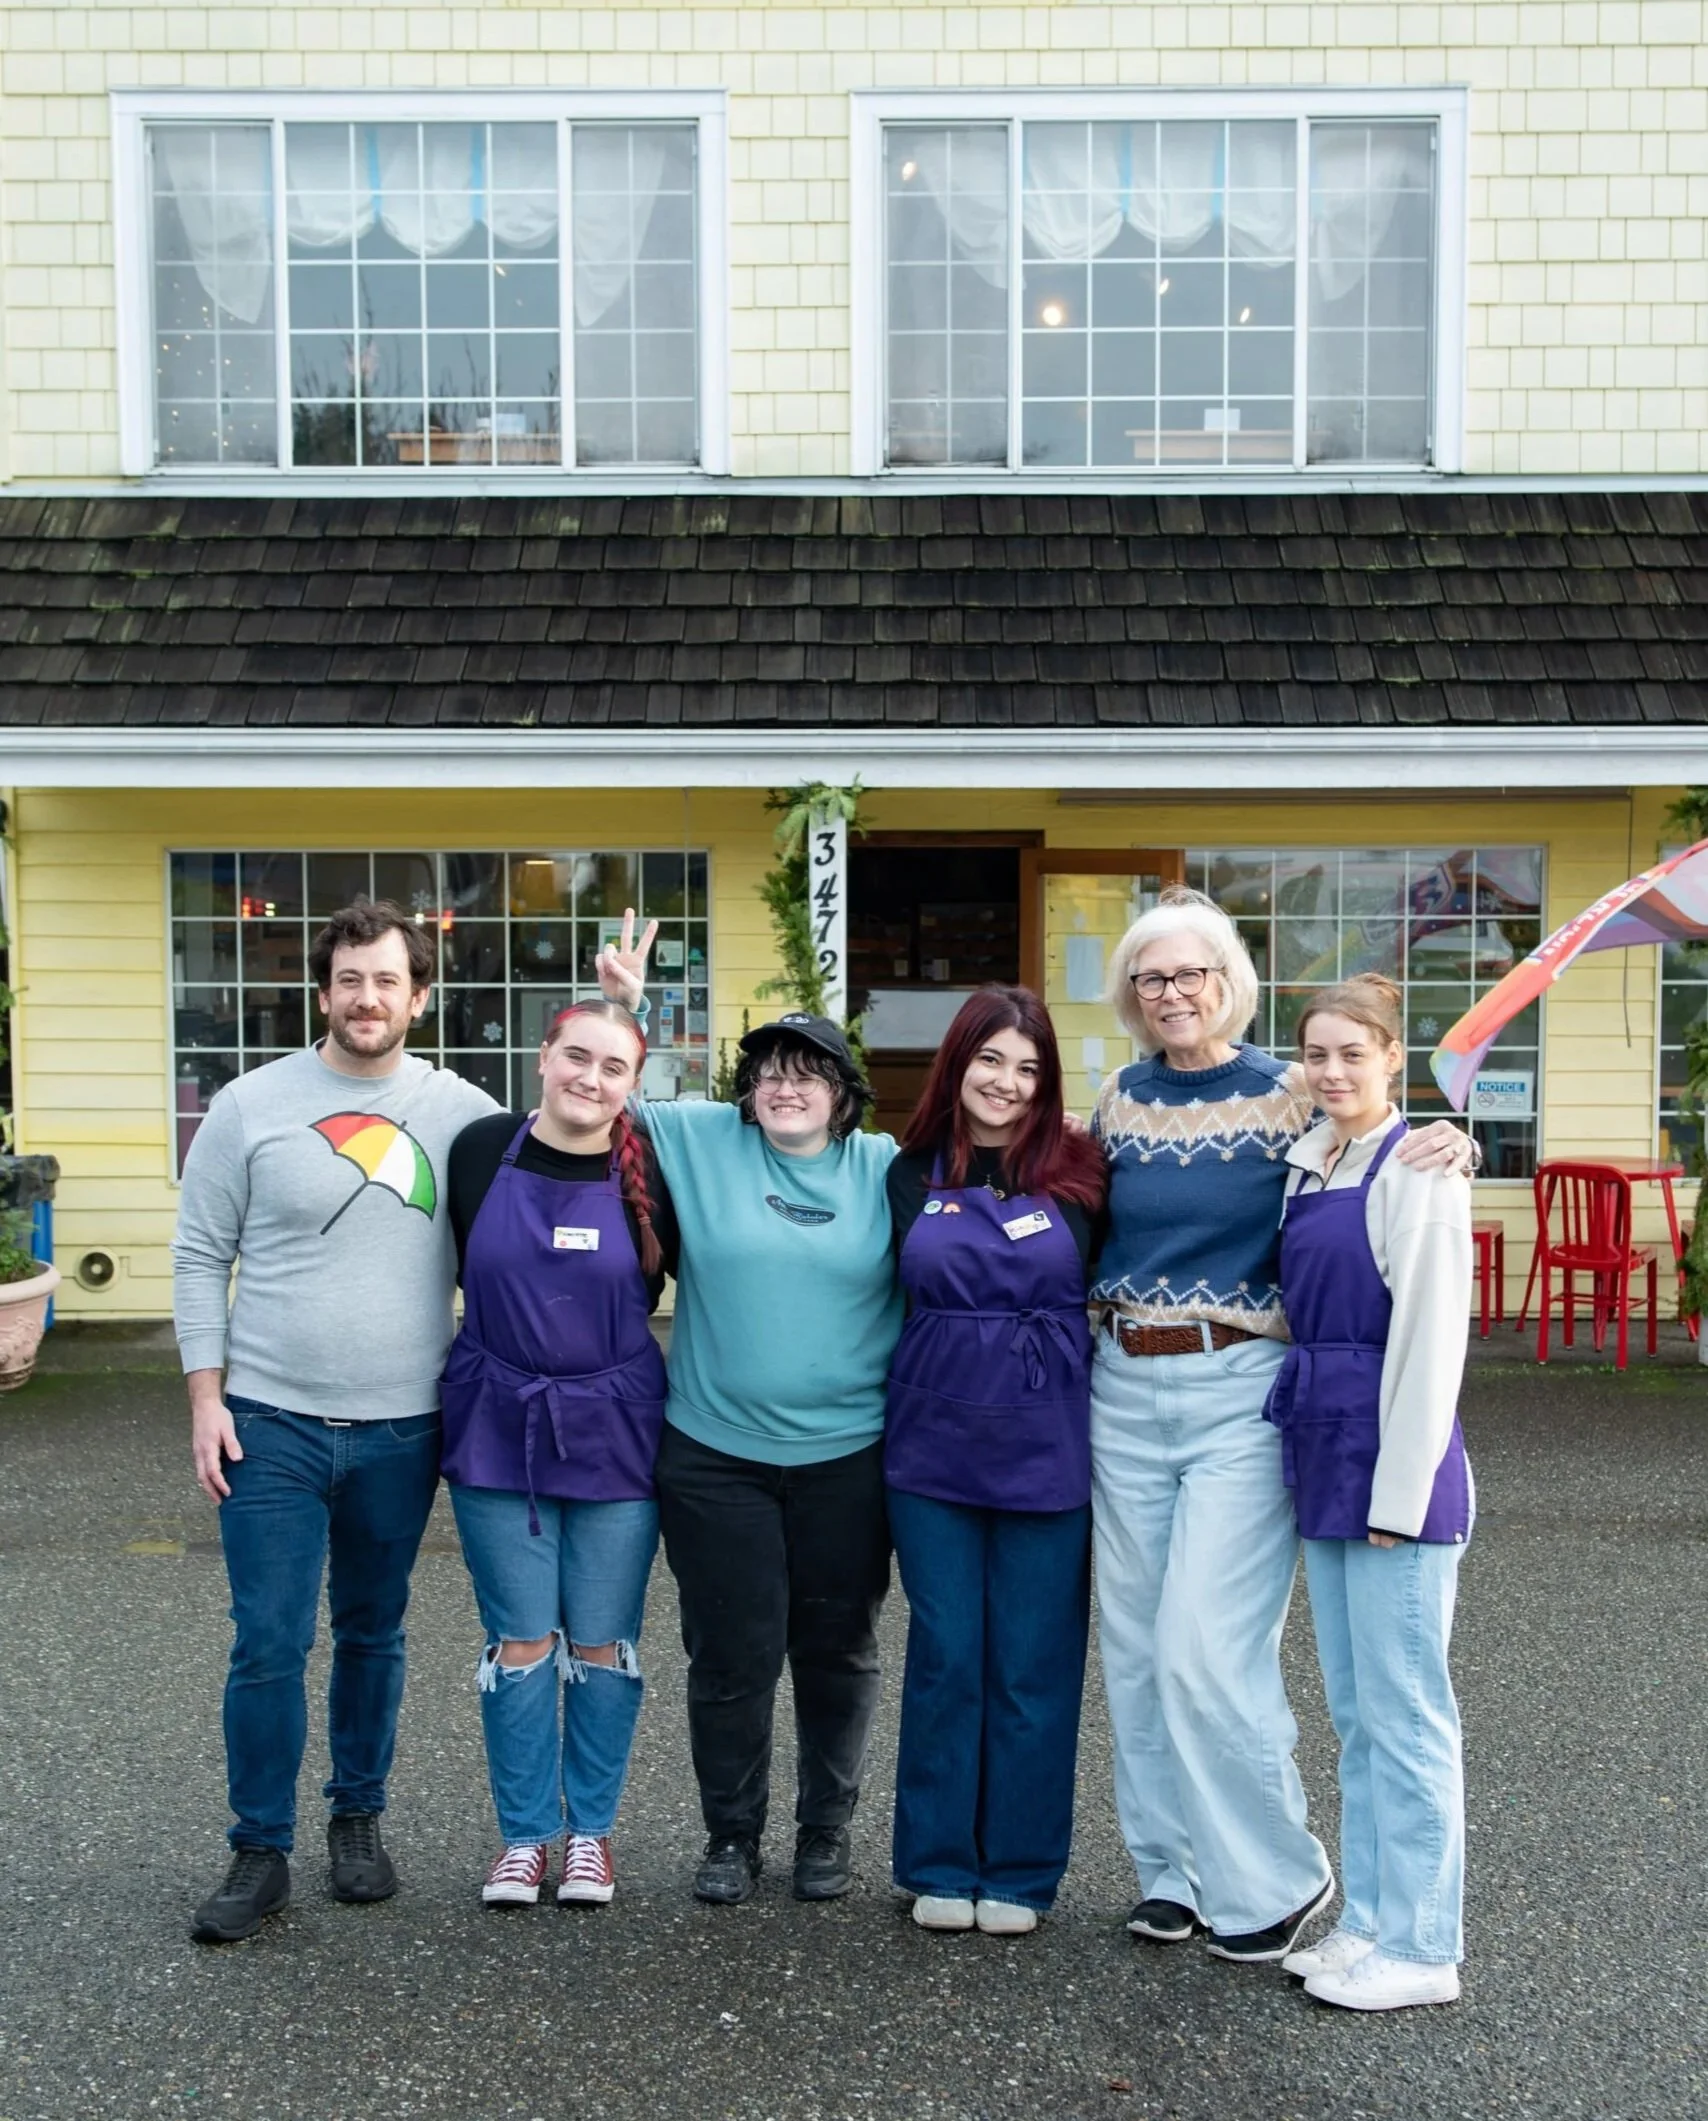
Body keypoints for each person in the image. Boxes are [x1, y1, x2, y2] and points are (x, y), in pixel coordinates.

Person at [1089, 886, 1474, 1965]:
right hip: (1119, 1386)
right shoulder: (1113, 1099)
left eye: (1191, 974)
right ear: (1132, 993)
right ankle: (1170, 1870)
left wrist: (1455, 1139)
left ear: (1228, 982)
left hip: (1238, 1388)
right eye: (1151, 977)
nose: (1171, 994)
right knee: (1132, 1649)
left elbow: (1376, 1144)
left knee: (1205, 1648)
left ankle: (1273, 1876)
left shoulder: (1292, 1092)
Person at [173, 899, 498, 1944]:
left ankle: (356, 1819)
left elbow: (574, 1159)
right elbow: (196, 1258)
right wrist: (205, 1399)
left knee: (373, 1633)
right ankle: (257, 1848)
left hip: (405, 1429)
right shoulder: (251, 1105)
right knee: (267, 1641)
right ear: (325, 993)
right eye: (350, 979)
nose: (368, 998)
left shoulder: (463, 1114)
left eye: (388, 981)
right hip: (268, 1422)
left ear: (420, 997)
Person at [606, 961, 901, 1908]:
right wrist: (622, 1006)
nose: (786, 1083)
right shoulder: (701, 1138)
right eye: (769, 1067)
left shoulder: (886, 1167)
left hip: (850, 1456)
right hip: (715, 1454)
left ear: (844, 1095)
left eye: (809, 1070)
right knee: (731, 1654)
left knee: (836, 1650)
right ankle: (731, 1834)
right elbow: (602, 1088)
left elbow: (995, 1148)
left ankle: (826, 1832)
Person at [441, 996, 680, 1911]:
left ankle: (591, 1836)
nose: (589, 1077)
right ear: (542, 1056)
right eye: (575, 1056)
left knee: (603, 1641)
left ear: (634, 1085)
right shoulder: (476, 1150)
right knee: (520, 1639)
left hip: (618, 1425)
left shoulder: (652, 1168)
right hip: (498, 1422)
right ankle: (524, 1836)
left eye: (613, 1066)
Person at [1267, 976, 1472, 2011]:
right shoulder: (1310, 1163)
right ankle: (1372, 1920)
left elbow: (1432, 1342)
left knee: (1408, 1715)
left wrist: (1398, 1499)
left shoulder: (1420, 1167)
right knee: (1355, 1713)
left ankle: (1426, 1945)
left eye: (1355, 1053)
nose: (1334, 1071)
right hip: (1322, 1447)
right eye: (1318, 1054)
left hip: (1396, 1468)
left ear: (1395, 1057)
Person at [884, 986, 1106, 1938]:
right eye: (991, 1060)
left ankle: (1017, 1868)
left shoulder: (1086, 1170)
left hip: (1047, 1440)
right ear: (957, 1061)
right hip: (932, 1441)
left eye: (1028, 1068)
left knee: (1033, 1662)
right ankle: (937, 1859)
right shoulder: (904, 1171)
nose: (1007, 1084)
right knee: (945, 1656)